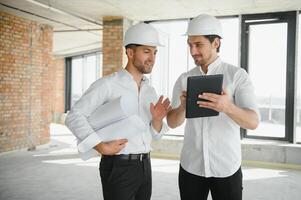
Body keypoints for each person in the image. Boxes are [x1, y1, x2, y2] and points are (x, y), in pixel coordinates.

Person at [65, 23, 171, 200]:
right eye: (146, 51)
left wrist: (158, 120)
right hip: (118, 166)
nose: (152, 58)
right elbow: (74, 116)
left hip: (145, 165)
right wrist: (100, 146)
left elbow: (154, 135)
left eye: (155, 52)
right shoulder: (107, 85)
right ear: (130, 53)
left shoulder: (150, 91)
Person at [166, 14, 260, 200]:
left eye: (198, 44)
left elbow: (253, 122)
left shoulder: (237, 76)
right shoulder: (184, 79)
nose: (193, 51)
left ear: (216, 43)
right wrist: (183, 107)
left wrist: (228, 107)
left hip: (226, 168)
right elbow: (172, 122)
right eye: (190, 44)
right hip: (191, 167)